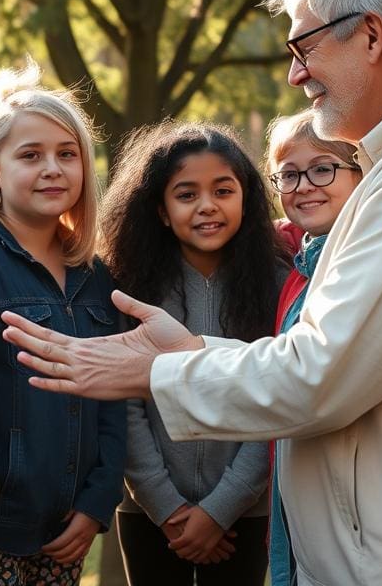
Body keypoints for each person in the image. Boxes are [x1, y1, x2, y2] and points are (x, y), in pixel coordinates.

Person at [2, 0, 382, 585]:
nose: (295, 74)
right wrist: (191, 355)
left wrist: (164, 371)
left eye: (304, 47)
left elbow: (320, 373)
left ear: (371, 36)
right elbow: (343, 354)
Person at [0, 66, 126, 585]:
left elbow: (115, 397)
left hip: (67, 528)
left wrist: (98, 502)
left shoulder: (95, 275)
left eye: (66, 154)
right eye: (30, 155)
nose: (52, 168)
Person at [100, 121, 281, 586]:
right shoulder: (128, 288)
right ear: (160, 210)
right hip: (149, 511)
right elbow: (124, 401)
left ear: (246, 198)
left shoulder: (277, 286)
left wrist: (220, 510)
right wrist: (168, 508)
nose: (207, 207)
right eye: (186, 195)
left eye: (223, 190)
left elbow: (278, 400)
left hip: (247, 511)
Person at [262, 110, 361, 586]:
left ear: (360, 172)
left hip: (345, 490)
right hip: (293, 481)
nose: (303, 185)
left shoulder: (354, 261)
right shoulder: (299, 261)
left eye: (323, 169)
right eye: (288, 174)